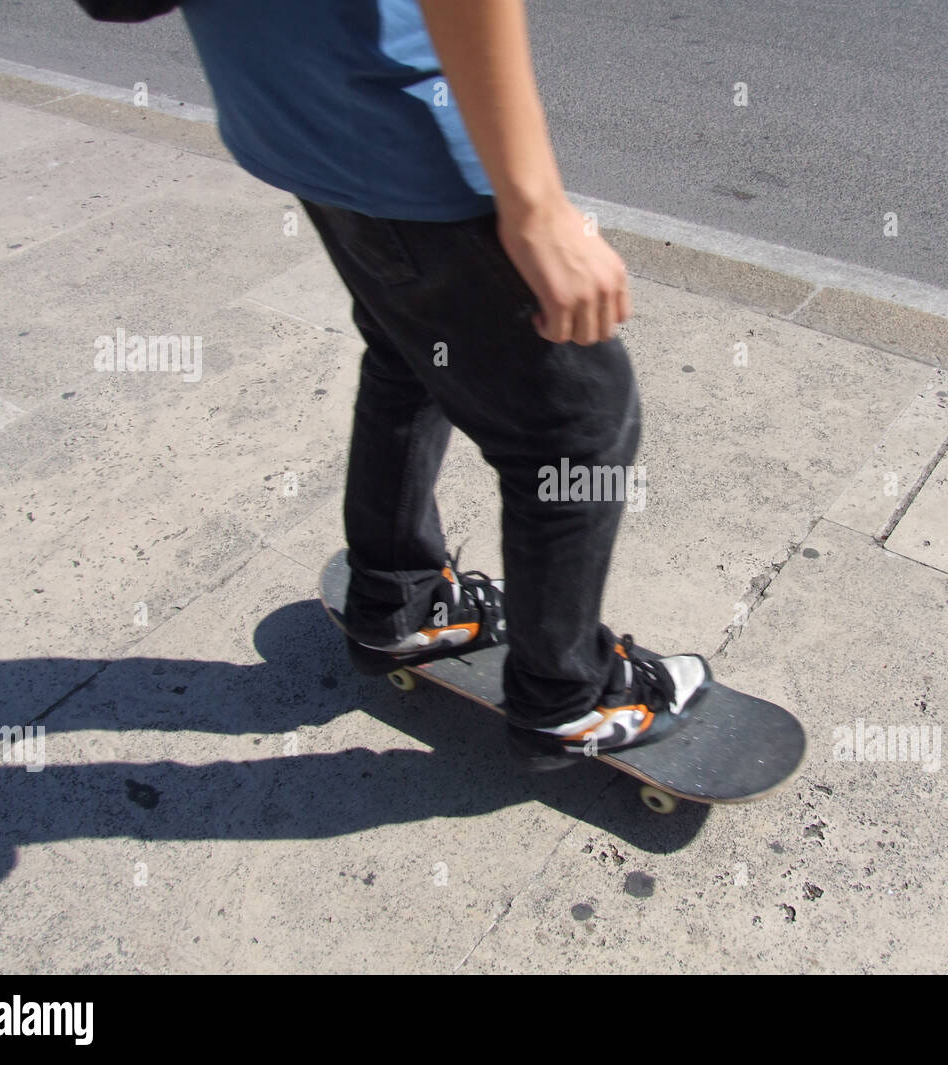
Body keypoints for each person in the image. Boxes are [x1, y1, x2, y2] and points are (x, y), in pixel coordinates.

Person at [179, 0, 707, 763]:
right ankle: (569, 695)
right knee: (578, 426)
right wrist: (537, 208)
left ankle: (400, 599)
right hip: (408, 136)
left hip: (286, 111)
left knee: (411, 350)